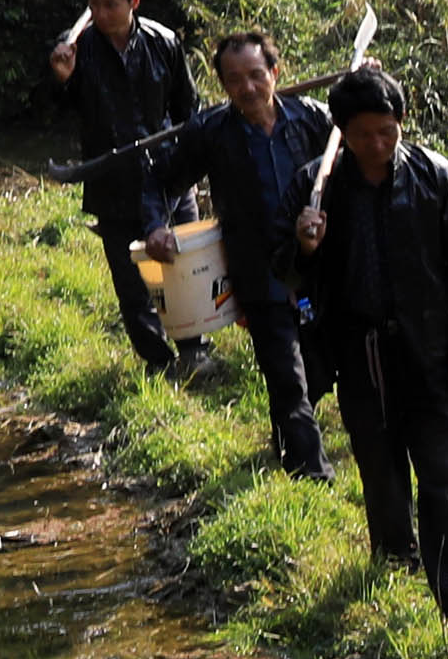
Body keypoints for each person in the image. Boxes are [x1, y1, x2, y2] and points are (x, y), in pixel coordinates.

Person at [301, 65, 448, 623]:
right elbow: (288, 276)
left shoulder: (434, 176)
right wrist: (304, 245)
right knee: (380, 467)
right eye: (364, 134)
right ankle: (394, 554)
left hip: (431, 348)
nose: (378, 144)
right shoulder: (317, 187)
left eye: (388, 132)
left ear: (401, 125)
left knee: (442, 473)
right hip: (358, 351)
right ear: (342, 131)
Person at [140, 30, 333, 479]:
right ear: (223, 85)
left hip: (317, 268)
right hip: (258, 272)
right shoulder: (210, 132)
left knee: (319, 371)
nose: (247, 88)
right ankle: (311, 477)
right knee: (287, 375)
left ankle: (287, 440)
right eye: (234, 80)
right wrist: (155, 226)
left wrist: (366, 86)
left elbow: (363, 139)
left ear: (274, 73)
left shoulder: (311, 120)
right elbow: (160, 180)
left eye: (255, 75)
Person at [43, 0, 192, 368]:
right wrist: (62, 79)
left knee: (182, 266)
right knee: (131, 281)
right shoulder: (76, 49)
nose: (101, 14)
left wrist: (192, 167)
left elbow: (187, 109)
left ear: (134, 3)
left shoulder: (163, 42)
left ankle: (195, 349)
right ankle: (159, 361)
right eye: (94, 6)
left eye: (111, 5)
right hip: (112, 176)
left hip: (167, 171)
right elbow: (59, 108)